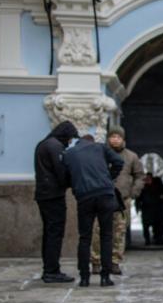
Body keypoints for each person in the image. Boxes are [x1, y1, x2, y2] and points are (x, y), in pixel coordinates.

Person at [63, 135, 124, 287]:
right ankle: (105, 277)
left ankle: (84, 278)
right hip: (105, 194)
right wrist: (109, 178)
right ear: (92, 141)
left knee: (85, 237)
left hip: (84, 197)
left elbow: (65, 175)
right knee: (106, 236)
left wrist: (77, 184)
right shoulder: (100, 147)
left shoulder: (69, 153)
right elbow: (119, 161)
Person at [91, 126, 144, 275]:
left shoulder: (131, 156)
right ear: (108, 138)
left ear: (123, 139)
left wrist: (134, 192)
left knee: (119, 232)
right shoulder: (100, 154)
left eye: (118, 137)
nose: (115, 139)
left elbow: (140, 176)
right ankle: (96, 261)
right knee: (97, 230)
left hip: (122, 201)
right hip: (101, 198)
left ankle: (115, 261)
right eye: (112, 136)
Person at [33, 121, 79, 283]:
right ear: (65, 135)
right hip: (53, 195)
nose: (70, 142)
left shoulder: (43, 144)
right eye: (70, 138)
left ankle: (49, 268)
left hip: (43, 194)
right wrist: (71, 182)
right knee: (55, 234)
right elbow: (61, 171)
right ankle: (52, 271)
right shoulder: (55, 146)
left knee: (49, 233)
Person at [136, 173, 163, 245]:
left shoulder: (160, 187)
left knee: (158, 227)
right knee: (146, 226)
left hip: (158, 211)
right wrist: (138, 207)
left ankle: (158, 239)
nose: (147, 180)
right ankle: (148, 240)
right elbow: (138, 198)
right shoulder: (143, 188)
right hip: (147, 210)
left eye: (149, 179)